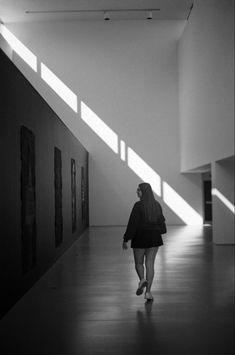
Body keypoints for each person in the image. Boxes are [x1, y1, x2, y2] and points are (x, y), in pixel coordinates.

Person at [122, 182, 166, 301]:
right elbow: (162, 221)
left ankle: (142, 280)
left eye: (139, 190)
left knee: (139, 263)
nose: (137, 192)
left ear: (144, 192)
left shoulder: (138, 205)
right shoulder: (156, 205)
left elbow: (132, 223)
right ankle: (148, 292)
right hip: (154, 238)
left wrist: (126, 239)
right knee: (150, 264)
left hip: (140, 237)